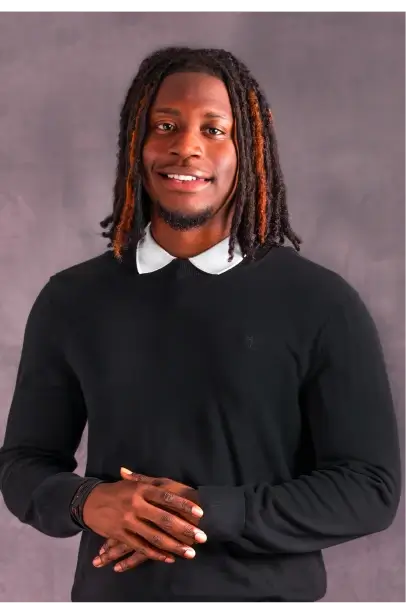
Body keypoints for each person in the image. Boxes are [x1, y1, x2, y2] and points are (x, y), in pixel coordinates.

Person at [0, 45, 401, 603]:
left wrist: (203, 511)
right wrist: (87, 502)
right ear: (136, 144)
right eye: (165, 125)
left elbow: (368, 489)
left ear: (248, 151)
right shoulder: (72, 299)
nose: (186, 146)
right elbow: (22, 465)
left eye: (214, 130)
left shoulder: (321, 302)